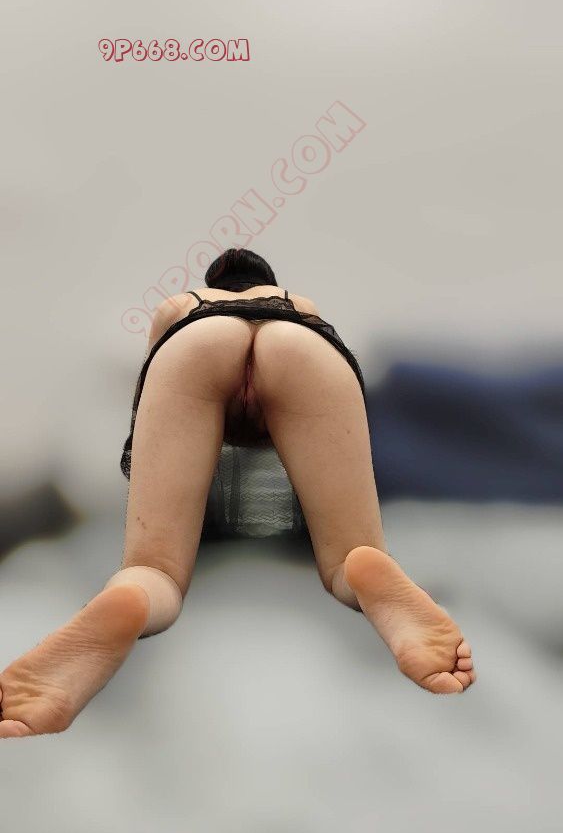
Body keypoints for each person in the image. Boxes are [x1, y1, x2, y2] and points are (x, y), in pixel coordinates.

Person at [0, 249, 476, 738]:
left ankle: (130, 597)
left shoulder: (182, 306)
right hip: (302, 348)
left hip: (196, 345)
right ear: (266, 281)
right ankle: (368, 575)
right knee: (349, 553)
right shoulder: (299, 304)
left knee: (156, 569)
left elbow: (149, 386)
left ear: (214, 285)